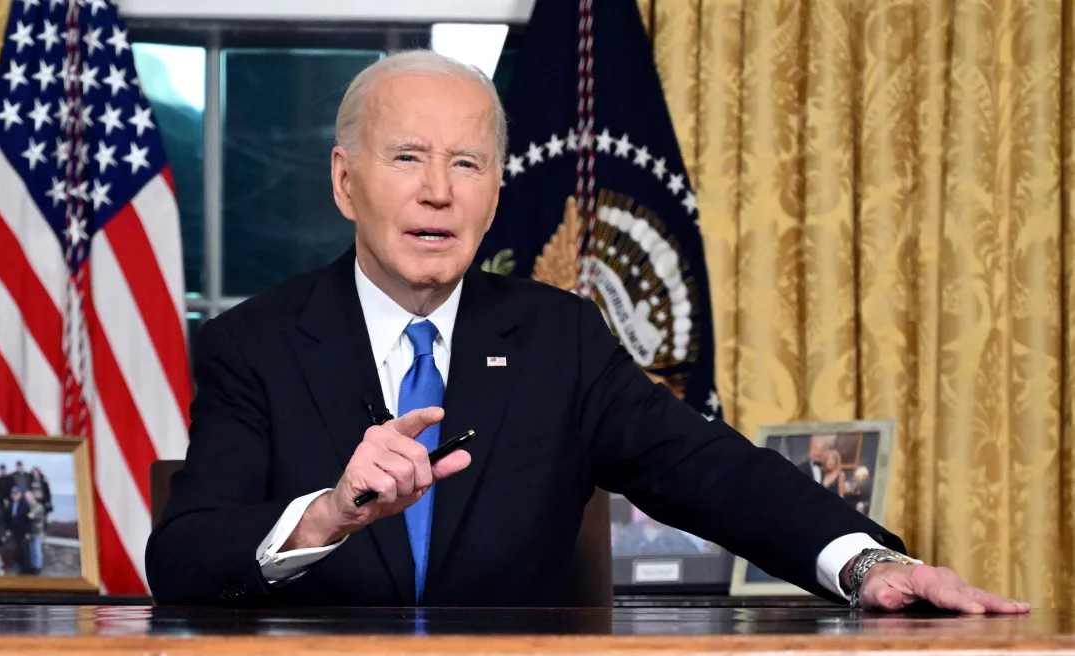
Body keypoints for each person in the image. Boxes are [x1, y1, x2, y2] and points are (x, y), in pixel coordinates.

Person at [146, 51, 1026, 615]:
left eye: (468, 164)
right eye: (408, 158)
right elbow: (184, 560)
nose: (438, 192)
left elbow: (709, 470)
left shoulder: (558, 339)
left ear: (496, 193)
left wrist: (867, 564)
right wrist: (332, 514)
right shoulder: (253, 344)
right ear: (346, 183)